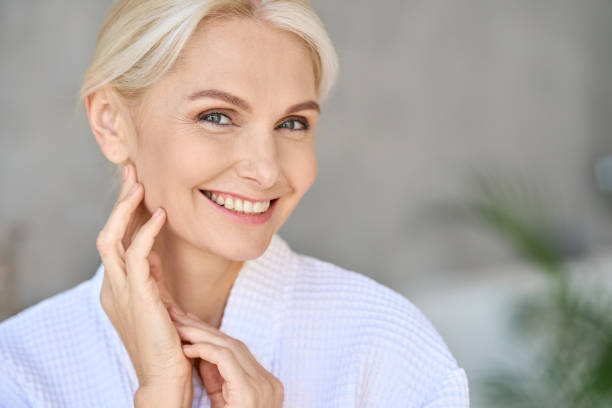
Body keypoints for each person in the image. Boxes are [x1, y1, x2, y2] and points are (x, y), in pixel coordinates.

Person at [0, 0, 469, 407]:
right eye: (217, 116)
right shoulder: (20, 370)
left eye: (292, 124)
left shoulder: (385, 346)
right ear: (111, 123)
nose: (266, 170)